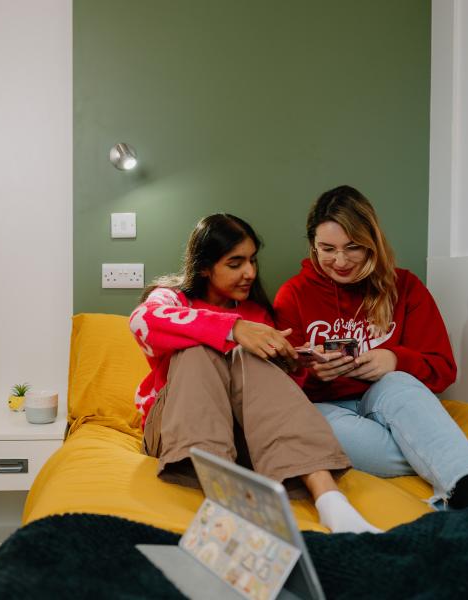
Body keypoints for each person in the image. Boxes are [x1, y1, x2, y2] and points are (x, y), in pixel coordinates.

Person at [273, 185, 468, 509]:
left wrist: (396, 360)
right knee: (323, 437)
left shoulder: (405, 286)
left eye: (353, 247)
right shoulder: (293, 295)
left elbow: (443, 369)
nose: (340, 261)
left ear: (372, 242)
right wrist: (315, 374)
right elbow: (279, 387)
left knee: (398, 382)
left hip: (391, 398)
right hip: (327, 408)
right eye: (327, 249)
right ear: (312, 245)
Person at [130, 213, 380, 533]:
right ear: (205, 267)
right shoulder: (172, 299)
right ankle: (222, 498)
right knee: (198, 349)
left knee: (250, 357)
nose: (250, 272)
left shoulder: (256, 313)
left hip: (243, 435)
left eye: (252, 261)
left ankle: (331, 501)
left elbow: (272, 400)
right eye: (235, 264)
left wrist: (294, 364)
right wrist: (233, 329)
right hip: (175, 430)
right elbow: (142, 320)